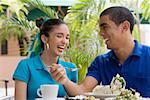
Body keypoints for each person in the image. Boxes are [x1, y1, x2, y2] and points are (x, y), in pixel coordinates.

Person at [49, 6, 150, 97]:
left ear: (125, 27)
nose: (101, 33)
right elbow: (83, 91)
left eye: (105, 27)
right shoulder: (101, 62)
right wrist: (65, 80)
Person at [13, 18, 78, 100]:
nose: (64, 41)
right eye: (59, 36)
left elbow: (77, 97)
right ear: (44, 39)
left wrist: (65, 81)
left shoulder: (71, 68)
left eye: (67, 37)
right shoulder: (25, 66)